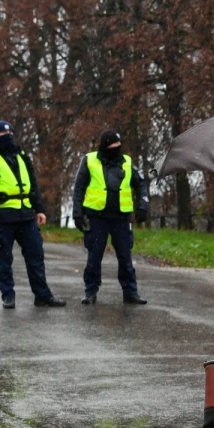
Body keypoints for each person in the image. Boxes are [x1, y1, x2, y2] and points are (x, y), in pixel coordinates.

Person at [0, 121, 65, 309]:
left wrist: (40, 209)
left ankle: (42, 296)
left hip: (26, 217)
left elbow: (33, 185)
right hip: (2, 217)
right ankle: (8, 296)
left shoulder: (21, 156)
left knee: (36, 256)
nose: (8, 136)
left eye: (10, 132)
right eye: (3, 133)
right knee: (5, 259)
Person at [72, 130, 150, 305]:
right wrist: (77, 213)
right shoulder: (89, 160)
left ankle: (130, 292)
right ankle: (90, 291)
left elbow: (140, 185)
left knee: (125, 257)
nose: (117, 149)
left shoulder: (127, 162)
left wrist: (142, 207)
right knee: (94, 257)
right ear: (105, 145)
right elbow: (79, 188)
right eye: (114, 146)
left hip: (121, 217)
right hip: (97, 216)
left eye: (119, 146)